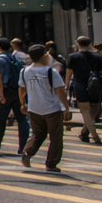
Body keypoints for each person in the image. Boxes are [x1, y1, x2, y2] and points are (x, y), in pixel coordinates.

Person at [20, 43, 69, 172]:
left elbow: (22, 89)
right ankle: (51, 163)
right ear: (44, 56)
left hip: (33, 108)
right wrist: (66, 107)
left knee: (37, 134)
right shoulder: (51, 72)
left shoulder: (24, 71)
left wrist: (22, 104)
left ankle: (27, 152)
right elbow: (60, 90)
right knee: (55, 136)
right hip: (52, 109)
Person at [65, 36, 102, 145]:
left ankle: (93, 134)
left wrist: (66, 85)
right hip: (95, 85)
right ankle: (86, 132)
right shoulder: (97, 56)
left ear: (77, 44)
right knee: (94, 109)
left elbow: (69, 72)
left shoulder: (73, 56)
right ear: (90, 44)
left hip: (80, 84)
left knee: (85, 110)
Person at [0, 37, 29, 151]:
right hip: (17, 91)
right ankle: (23, 147)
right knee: (22, 119)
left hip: (6, 91)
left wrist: (1, 95)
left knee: (1, 118)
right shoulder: (15, 58)